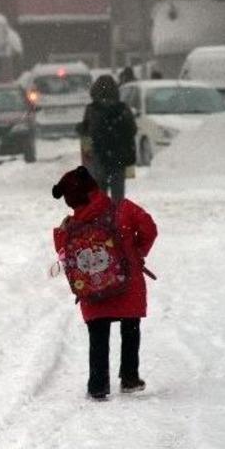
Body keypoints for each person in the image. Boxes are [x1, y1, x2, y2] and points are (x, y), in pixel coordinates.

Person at [51, 166, 158, 400]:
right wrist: (138, 251)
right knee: (130, 329)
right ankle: (129, 377)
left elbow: (63, 252)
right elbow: (149, 227)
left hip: (93, 290)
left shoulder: (69, 227)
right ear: (94, 187)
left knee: (98, 337)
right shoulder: (123, 209)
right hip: (127, 284)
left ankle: (98, 384)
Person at [78, 75, 137, 202]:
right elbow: (132, 130)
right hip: (119, 159)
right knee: (118, 198)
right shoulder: (123, 109)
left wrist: (87, 155)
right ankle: (117, 219)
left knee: (100, 198)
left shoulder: (92, 109)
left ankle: (103, 220)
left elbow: (86, 134)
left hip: (98, 158)